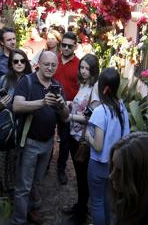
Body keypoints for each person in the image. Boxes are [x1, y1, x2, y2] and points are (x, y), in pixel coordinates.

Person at [11, 51, 69, 225]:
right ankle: (19, 220)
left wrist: (61, 106)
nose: (50, 68)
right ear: (39, 64)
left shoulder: (57, 86)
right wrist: (42, 102)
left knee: (38, 180)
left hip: (48, 142)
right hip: (29, 142)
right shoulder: (27, 81)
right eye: (46, 64)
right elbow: (17, 105)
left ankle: (33, 208)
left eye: (53, 65)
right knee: (24, 185)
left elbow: (65, 117)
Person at [84, 67, 130, 225]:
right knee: (107, 200)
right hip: (115, 164)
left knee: (96, 202)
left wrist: (87, 136)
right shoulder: (122, 108)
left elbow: (97, 145)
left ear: (102, 86)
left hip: (98, 163)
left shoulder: (100, 111)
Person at [61, 54, 100, 225]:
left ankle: (81, 214)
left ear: (94, 70)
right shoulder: (84, 84)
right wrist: (69, 103)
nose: (83, 71)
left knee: (83, 178)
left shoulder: (96, 89)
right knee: (79, 176)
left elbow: (92, 118)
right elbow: (80, 106)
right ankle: (79, 206)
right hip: (74, 135)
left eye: (87, 68)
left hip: (83, 139)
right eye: (82, 67)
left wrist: (69, 117)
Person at [0, 49, 33, 198]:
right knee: (4, 158)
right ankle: (5, 190)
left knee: (21, 161)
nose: (19, 64)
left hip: (24, 127)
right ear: (11, 64)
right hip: (7, 126)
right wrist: (0, 105)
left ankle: (19, 192)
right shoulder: (4, 79)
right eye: (16, 61)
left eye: (22, 61)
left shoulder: (31, 80)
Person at [53, 32, 81, 185]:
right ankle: (43, 165)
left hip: (67, 108)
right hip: (50, 105)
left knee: (65, 140)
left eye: (69, 46)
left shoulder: (79, 65)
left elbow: (82, 87)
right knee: (45, 134)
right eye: (64, 45)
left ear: (74, 46)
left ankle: (61, 168)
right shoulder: (53, 60)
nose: (66, 48)